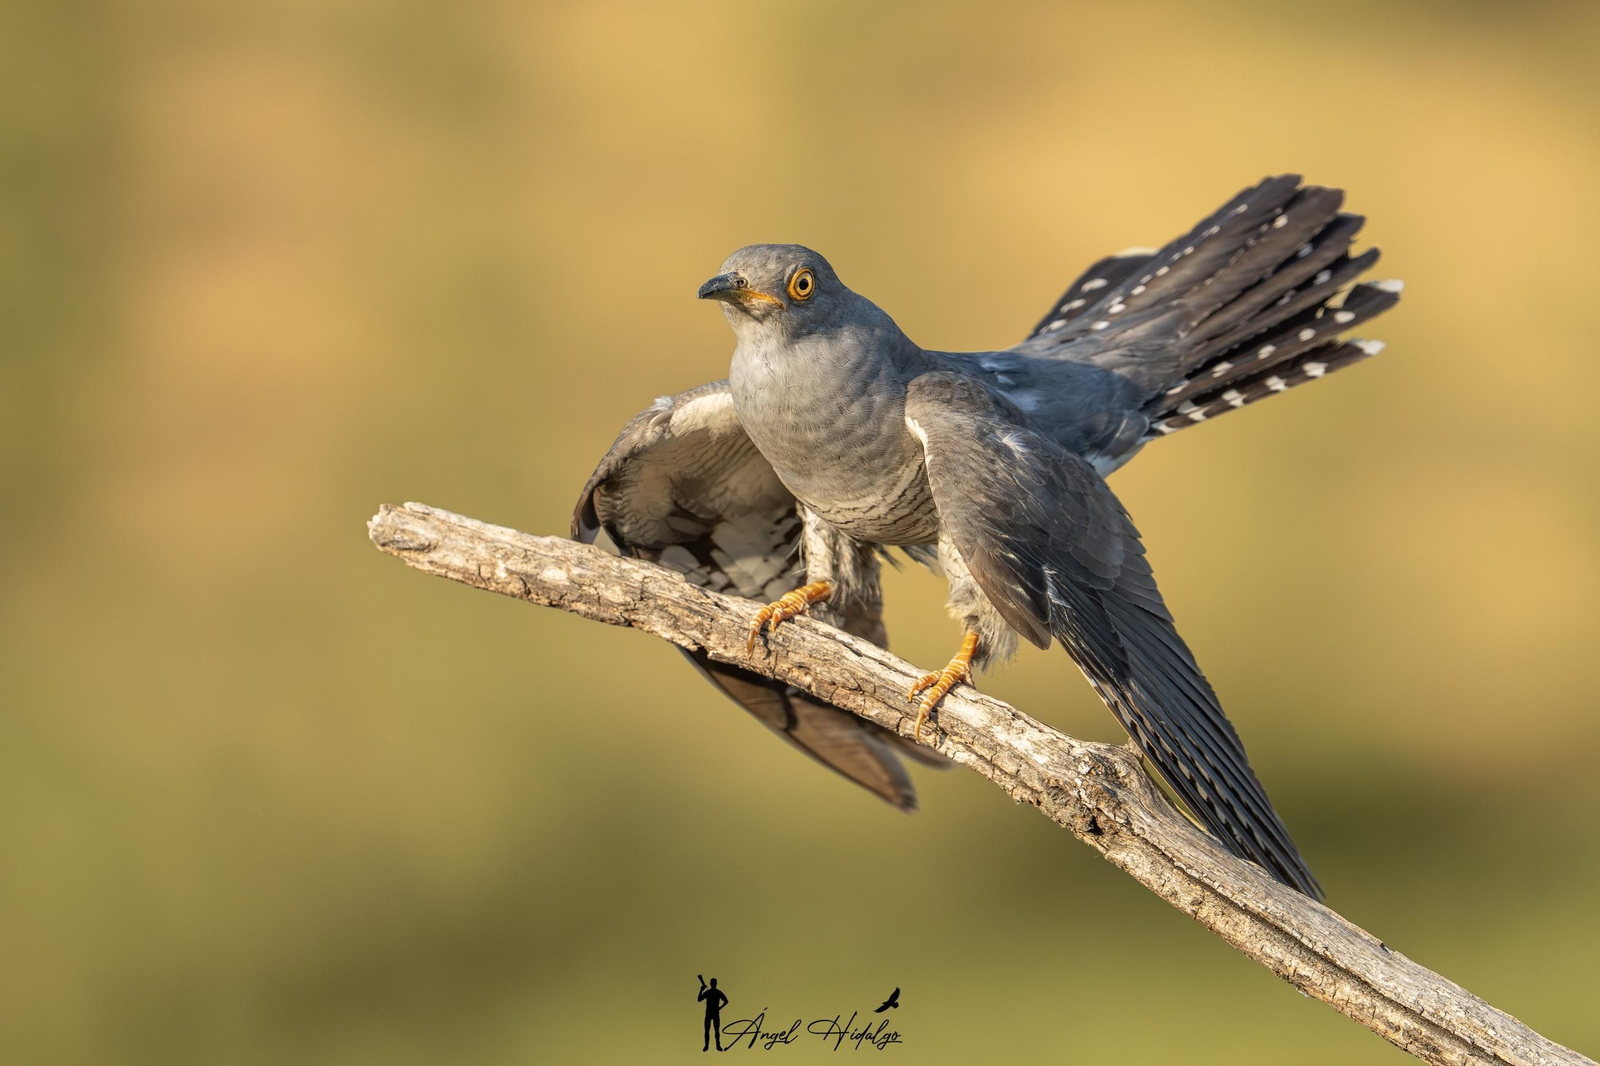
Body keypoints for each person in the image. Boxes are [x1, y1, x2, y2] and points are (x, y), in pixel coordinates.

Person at [697, 975, 728, 1052]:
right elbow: (699, 999)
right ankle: (708, 1045)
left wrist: (720, 1007)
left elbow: (726, 1001)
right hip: (710, 1013)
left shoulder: (716, 992)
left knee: (715, 1030)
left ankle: (717, 1045)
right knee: (708, 1030)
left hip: (714, 1013)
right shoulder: (711, 992)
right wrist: (701, 990)